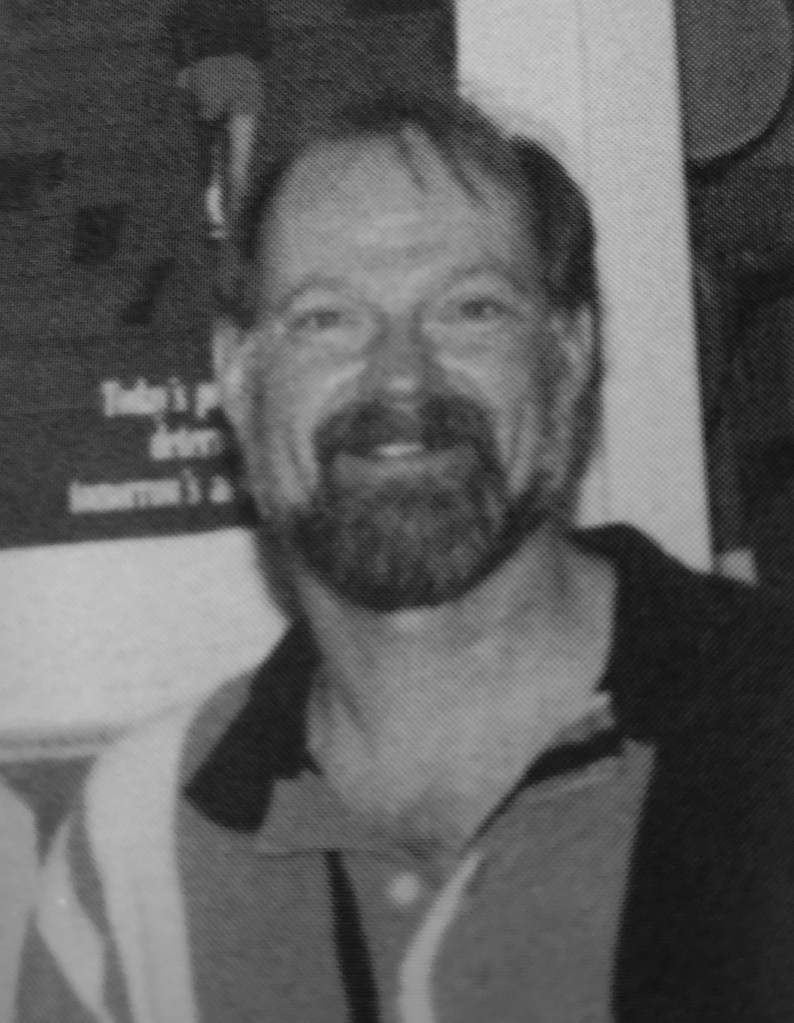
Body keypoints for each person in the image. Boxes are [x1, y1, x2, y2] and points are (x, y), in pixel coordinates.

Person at [15, 89, 794, 1023]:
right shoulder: (134, 856)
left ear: (569, 354)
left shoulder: (771, 733)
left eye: (470, 309)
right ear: (237, 375)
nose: (400, 376)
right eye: (326, 319)